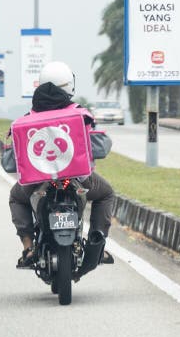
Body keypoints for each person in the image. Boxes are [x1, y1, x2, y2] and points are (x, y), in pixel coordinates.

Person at [9, 61, 116, 268]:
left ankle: (28, 246)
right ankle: (98, 242)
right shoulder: (79, 113)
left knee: (16, 197)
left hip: (39, 180)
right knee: (106, 193)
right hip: (78, 177)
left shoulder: (28, 118)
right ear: (69, 86)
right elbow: (98, 143)